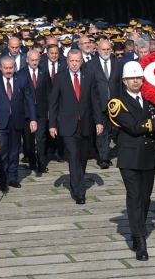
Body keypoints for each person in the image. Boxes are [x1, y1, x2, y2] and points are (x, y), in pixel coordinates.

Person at [108, 61, 155, 261]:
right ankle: (141, 240)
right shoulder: (117, 103)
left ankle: (136, 230)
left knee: (145, 198)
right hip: (130, 157)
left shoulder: (150, 100)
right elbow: (134, 127)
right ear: (124, 81)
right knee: (134, 198)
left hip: (149, 155)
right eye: (132, 78)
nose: (136, 81)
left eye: (139, 78)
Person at [49, 49, 103, 204]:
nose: (74, 64)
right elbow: (53, 103)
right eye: (71, 61)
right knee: (73, 156)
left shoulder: (89, 76)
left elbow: (95, 100)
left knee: (82, 157)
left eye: (77, 61)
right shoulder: (60, 77)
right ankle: (80, 192)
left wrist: (99, 121)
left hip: (85, 123)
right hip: (67, 124)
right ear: (67, 61)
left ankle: (76, 180)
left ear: (81, 61)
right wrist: (52, 124)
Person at [0, 56, 37, 192]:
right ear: (0, 68)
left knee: (14, 151)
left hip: (17, 120)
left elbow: (29, 99)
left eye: (11, 68)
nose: (9, 71)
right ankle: (2, 180)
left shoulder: (21, 78)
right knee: (1, 151)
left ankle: (13, 178)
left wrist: (33, 119)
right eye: (6, 68)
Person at [86, 40, 123, 169]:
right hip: (98, 103)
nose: (106, 52)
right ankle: (104, 158)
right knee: (102, 131)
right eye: (103, 50)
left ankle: (116, 154)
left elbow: (120, 84)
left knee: (114, 130)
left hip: (115, 103)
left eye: (108, 49)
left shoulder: (117, 64)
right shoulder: (90, 65)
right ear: (97, 50)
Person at [19, 49, 51, 172]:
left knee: (41, 137)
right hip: (27, 111)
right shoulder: (21, 73)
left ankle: (41, 163)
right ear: (27, 60)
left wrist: (49, 110)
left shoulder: (44, 72)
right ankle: (32, 161)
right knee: (28, 139)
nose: (34, 62)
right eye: (32, 60)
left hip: (41, 110)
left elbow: (49, 91)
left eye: (36, 60)